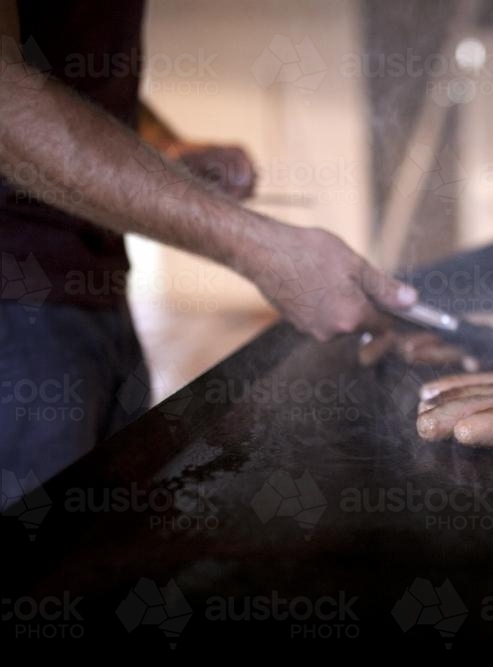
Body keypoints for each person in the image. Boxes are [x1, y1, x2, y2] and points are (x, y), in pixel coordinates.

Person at [0, 0, 417, 484]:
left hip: (97, 288)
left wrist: (165, 148)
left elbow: (71, 79)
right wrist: (258, 246)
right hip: (16, 306)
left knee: (106, 527)